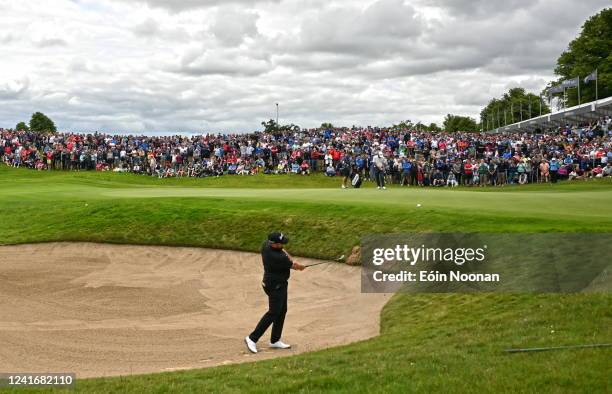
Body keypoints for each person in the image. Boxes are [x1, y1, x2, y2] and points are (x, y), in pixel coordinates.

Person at [245, 232, 305, 354]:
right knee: (273, 313)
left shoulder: (266, 244)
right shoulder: (278, 257)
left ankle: (275, 340)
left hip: (278, 283)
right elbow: (293, 265)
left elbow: (284, 252)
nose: (283, 245)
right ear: (274, 244)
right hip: (275, 286)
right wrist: (300, 267)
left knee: (282, 310)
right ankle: (252, 338)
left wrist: (285, 251)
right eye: (281, 243)